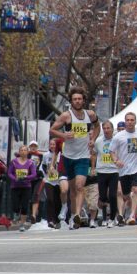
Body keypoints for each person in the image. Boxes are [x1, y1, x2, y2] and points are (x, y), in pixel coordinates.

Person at [49, 87, 98, 228]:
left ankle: (77, 214)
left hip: (83, 157)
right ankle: (72, 216)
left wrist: (93, 139)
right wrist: (64, 135)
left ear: (83, 100)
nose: (77, 101)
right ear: (71, 101)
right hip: (68, 157)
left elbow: (97, 127)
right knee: (71, 190)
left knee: (79, 186)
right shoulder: (66, 116)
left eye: (80, 99)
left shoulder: (91, 114)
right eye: (75, 99)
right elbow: (52, 129)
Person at [111, 111, 137, 225]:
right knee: (126, 195)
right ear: (125, 121)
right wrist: (116, 160)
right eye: (128, 120)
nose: (130, 122)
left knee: (136, 190)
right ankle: (127, 211)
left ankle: (132, 216)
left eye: (132, 120)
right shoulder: (118, 136)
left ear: (135, 121)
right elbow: (111, 151)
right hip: (124, 170)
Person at [93, 121, 119, 228]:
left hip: (113, 171)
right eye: (105, 128)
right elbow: (94, 154)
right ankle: (104, 216)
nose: (107, 130)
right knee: (103, 196)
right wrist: (93, 167)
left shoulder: (117, 140)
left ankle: (112, 218)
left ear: (112, 129)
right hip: (102, 171)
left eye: (108, 128)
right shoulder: (98, 141)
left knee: (113, 195)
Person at [8, 145, 37, 231]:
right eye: (22, 150)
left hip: (26, 186)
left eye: (25, 150)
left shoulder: (30, 162)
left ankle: (22, 224)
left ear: (27, 152)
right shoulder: (14, 162)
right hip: (15, 186)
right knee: (15, 205)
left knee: (25, 206)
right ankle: (16, 213)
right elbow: (9, 173)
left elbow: (34, 174)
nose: (23, 152)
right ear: (19, 152)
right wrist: (15, 178)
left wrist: (26, 177)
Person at [41, 139, 67, 227]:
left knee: (58, 200)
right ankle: (50, 220)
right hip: (49, 180)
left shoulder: (61, 154)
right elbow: (43, 166)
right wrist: (47, 172)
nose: (52, 146)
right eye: (51, 144)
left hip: (59, 180)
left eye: (54, 144)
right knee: (50, 199)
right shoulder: (45, 155)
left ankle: (57, 220)